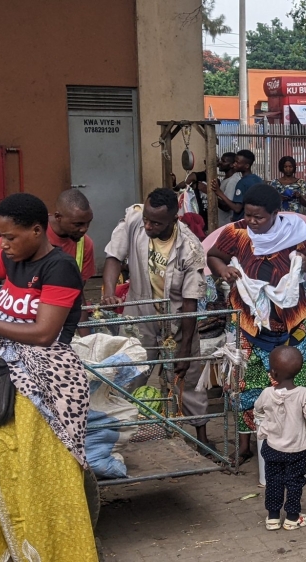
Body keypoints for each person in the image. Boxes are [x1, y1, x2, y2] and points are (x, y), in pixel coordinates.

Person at [0, 193, 97, 561]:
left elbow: (45, 334)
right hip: (5, 381)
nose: (3, 245)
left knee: (41, 483)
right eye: (0, 237)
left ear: (36, 230)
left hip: (46, 388)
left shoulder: (58, 268)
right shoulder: (11, 258)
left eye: (11, 237)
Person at [207, 183, 306, 465]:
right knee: (245, 384)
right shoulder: (235, 233)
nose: (253, 222)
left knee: (293, 385)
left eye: (260, 217)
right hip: (247, 321)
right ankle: (246, 444)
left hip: (290, 321)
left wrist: (298, 264)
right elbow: (214, 256)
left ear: (276, 213)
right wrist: (224, 270)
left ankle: (292, 447)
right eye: (248, 215)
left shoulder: (295, 232)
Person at [101, 188, 213, 449]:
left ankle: (203, 440)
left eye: (156, 223)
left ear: (174, 219)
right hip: (139, 313)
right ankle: (119, 438)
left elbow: (190, 302)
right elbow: (114, 256)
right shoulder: (134, 218)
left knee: (188, 378)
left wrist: (184, 349)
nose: (148, 226)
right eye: (147, 221)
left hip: (177, 317)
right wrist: (108, 292)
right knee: (129, 372)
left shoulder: (190, 247)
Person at [254, 346, 306, 531]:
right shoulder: (303, 393)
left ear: (273, 372)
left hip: (272, 447)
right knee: (294, 482)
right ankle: (292, 517)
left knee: (273, 480)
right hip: (296, 450)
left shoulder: (267, 393)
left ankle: (273, 517)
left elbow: (258, 408)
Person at [0, 189, 96, 283]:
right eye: (78, 224)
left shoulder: (86, 244)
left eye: (88, 222)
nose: (84, 229)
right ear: (58, 217)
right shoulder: (33, 228)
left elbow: (78, 285)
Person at [220, 149, 262, 222]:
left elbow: (237, 208)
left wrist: (219, 193)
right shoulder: (258, 179)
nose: (234, 164)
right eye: (234, 162)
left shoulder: (242, 183)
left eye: (237, 162)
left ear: (246, 166)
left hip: (243, 222)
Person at [210, 152, 238, 228]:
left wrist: (211, 194)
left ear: (232, 165)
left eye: (224, 161)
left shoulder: (232, 181)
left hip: (226, 224)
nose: (220, 163)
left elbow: (226, 206)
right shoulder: (227, 179)